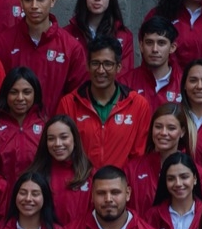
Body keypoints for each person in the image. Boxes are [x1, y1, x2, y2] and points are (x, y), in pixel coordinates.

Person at [56, 38, 152, 168]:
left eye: (107, 64)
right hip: (81, 184)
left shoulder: (138, 105)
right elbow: (64, 153)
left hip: (120, 185)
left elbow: (138, 157)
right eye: (95, 63)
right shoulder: (69, 103)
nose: (101, 70)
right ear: (88, 66)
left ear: (118, 67)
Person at [0, 0, 87, 104]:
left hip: (55, 124)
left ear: (52, 0)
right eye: (28, 0)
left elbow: (77, 99)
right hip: (13, 124)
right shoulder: (1, 42)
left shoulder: (72, 48)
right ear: (20, 1)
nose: (34, 6)